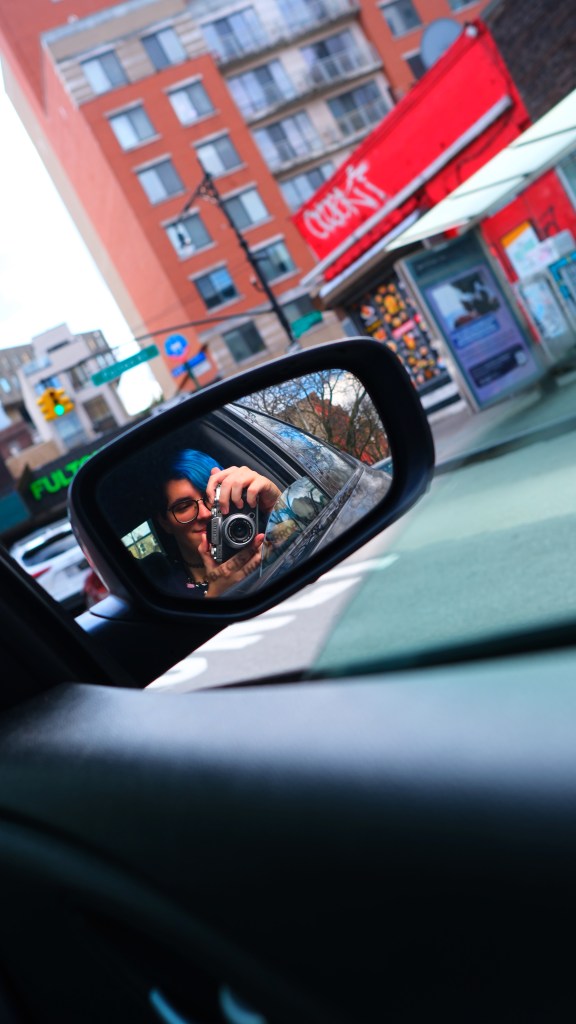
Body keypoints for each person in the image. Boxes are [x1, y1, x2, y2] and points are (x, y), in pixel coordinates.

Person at [154, 449, 281, 598]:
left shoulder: (270, 533)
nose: (205, 513)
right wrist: (216, 595)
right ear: (165, 523)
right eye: (184, 507)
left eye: (211, 497)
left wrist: (277, 506)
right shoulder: (165, 596)